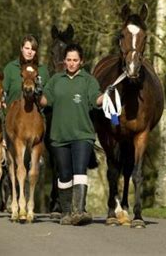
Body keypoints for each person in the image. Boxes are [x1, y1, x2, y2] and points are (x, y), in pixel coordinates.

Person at [39, 43, 112, 226]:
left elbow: (96, 99)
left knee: (79, 172)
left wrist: (107, 96)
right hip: (59, 136)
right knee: (64, 175)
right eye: (69, 60)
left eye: (75, 60)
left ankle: (78, 211)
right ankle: (66, 212)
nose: (71, 63)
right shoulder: (56, 80)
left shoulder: (88, 80)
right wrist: (35, 91)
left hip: (82, 135)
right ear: (64, 61)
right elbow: (45, 100)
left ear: (82, 62)